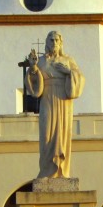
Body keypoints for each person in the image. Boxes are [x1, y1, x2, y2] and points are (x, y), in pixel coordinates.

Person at [25, 31, 85, 179]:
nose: (54, 43)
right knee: (47, 136)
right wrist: (33, 68)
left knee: (62, 135)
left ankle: (62, 171)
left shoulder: (68, 60)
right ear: (47, 42)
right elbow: (35, 89)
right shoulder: (41, 62)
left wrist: (69, 72)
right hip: (47, 100)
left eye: (56, 40)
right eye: (51, 40)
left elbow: (80, 78)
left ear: (60, 43)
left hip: (64, 101)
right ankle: (46, 171)